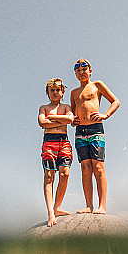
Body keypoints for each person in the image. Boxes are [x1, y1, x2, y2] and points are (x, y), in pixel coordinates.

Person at [70, 58, 120, 215]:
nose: (81, 72)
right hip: (80, 132)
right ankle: (89, 205)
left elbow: (115, 101)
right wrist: (73, 120)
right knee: (85, 168)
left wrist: (105, 115)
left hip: (96, 129)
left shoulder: (97, 85)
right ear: (75, 74)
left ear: (90, 71)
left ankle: (102, 206)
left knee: (98, 167)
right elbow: (73, 112)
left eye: (84, 69)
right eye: (78, 70)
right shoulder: (73, 92)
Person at [38, 78, 75, 226]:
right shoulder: (43, 108)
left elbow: (70, 119)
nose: (55, 93)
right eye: (52, 90)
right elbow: (42, 122)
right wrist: (62, 120)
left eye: (57, 90)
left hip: (63, 141)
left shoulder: (66, 106)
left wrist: (52, 118)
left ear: (62, 92)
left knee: (65, 173)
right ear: (47, 92)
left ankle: (57, 207)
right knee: (49, 176)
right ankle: (51, 213)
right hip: (49, 142)